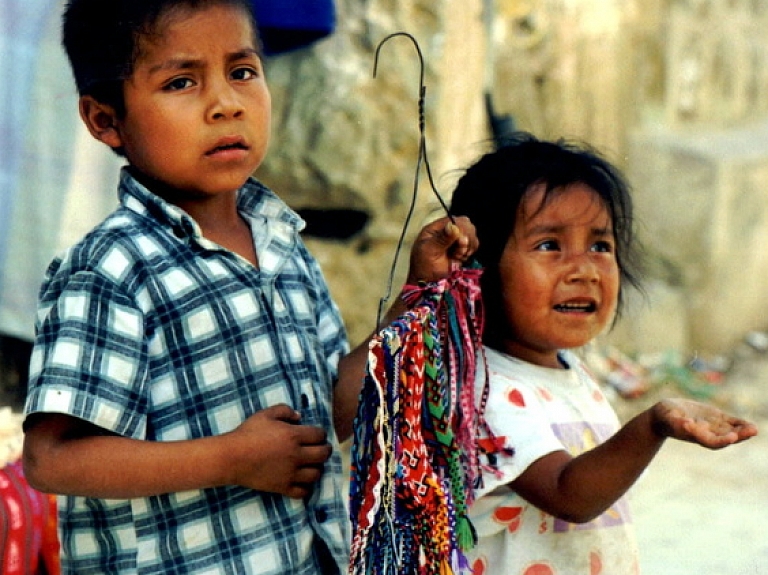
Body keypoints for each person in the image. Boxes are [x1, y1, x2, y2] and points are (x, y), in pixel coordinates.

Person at [20, 1, 477, 573]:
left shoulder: (282, 244)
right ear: (104, 120)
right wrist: (230, 458)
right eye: (182, 81)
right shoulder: (112, 269)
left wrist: (416, 295)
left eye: (243, 71)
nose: (226, 104)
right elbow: (51, 458)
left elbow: (330, 411)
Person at [448, 131, 758, 574]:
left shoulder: (571, 372)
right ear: (477, 270)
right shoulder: (484, 390)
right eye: (549, 245)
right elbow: (568, 493)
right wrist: (654, 422)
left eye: (600, 246)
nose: (584, 270)